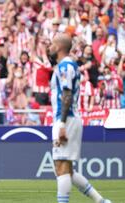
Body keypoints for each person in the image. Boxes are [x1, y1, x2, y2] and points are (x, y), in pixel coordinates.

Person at [48, 34, 111, 203]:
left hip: (66, 119)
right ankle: (100, 201)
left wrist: (61, 123)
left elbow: (67, 94)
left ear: (60, 47)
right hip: (68, 118)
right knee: (66, 169)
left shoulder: (66, 66)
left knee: (61, 167)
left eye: (53, 44)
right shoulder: (67, 65)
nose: (50, 47)